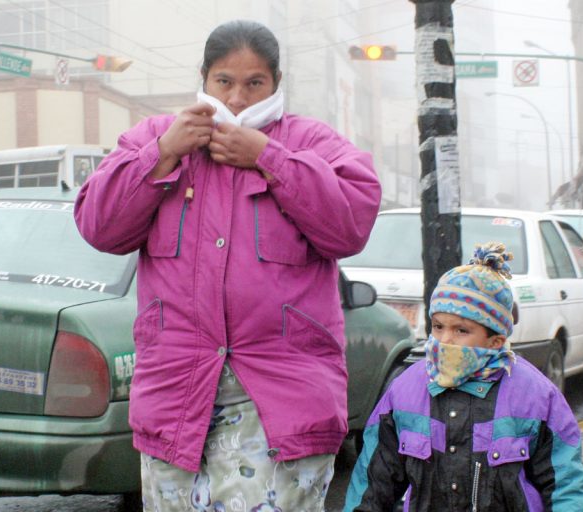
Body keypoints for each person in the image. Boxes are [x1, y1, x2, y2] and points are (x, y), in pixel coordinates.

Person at [75, 20, 381, 511]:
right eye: (225, 81)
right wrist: (162, 153)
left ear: (276, 83)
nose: (238, 97)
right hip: (180, 395)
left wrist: (270, 158)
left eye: (254, 82)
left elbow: (350, 226)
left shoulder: (311, 142)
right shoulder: (158, 137)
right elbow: (100, 226)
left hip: (283, 400)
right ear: (204, 78)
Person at [344, 242, 583, 511]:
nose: (445, 339)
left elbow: (565, 485)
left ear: (495, 340)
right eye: (438, 327)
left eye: (461, 330)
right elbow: (373, 484)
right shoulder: (404, 391)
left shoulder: (537, 396)